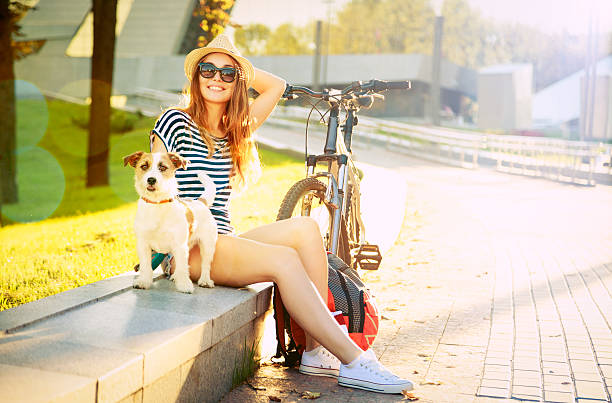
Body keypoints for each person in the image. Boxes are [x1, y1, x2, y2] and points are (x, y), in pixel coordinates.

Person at [150, 33, 413, 394]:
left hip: (222, 241)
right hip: (187, 248)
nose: (216, 78)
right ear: (195, 76)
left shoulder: (235, 130)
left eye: (228, 74)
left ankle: (317, 350)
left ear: (238, 83)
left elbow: (275, 86)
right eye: (207, 69)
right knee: (284, 260)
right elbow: (157, 191)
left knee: (305, 229)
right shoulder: (174, 121)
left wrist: (241, 65)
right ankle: (355, 360)